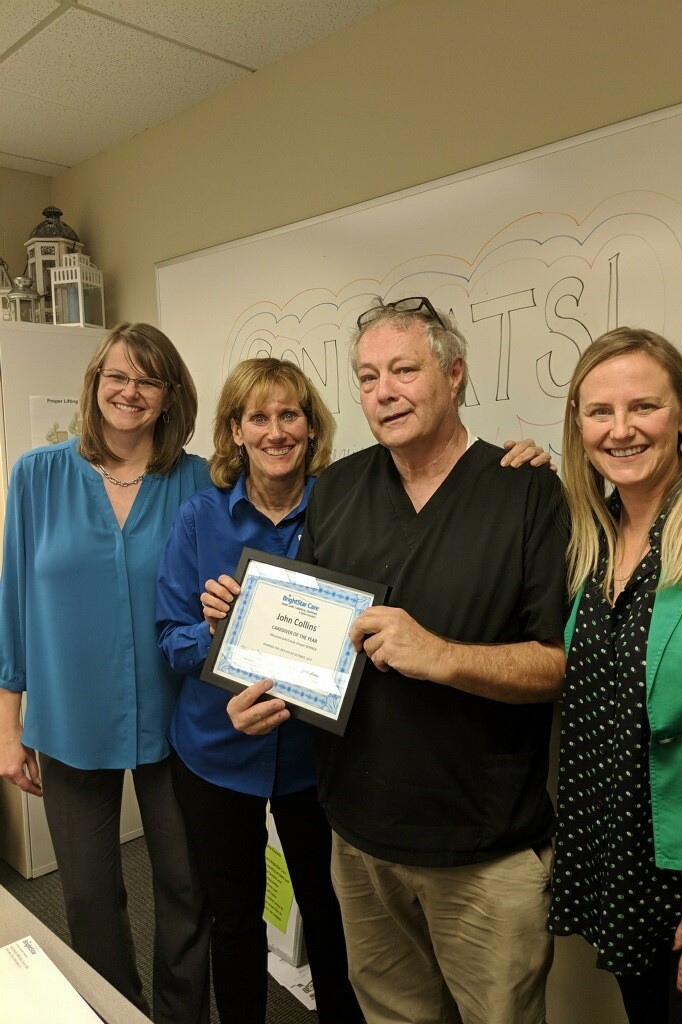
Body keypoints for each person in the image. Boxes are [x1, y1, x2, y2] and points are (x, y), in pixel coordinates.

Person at [226, 298, 568, 1024]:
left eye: (404, 370)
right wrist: (258, 685)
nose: (384, 390)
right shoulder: (341, 489)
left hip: (482, 849)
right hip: (359, 838)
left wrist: (441, 656)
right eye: (368, 375)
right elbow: (310, 641)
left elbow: (556, 664)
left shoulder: (526, 489)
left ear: (454, 374)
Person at [548, 327, 682, 1024]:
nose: (620, 430)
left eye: (643, 406)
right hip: (625, 868)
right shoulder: (594, 536)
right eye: (598, 412)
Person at [0, 323, 211, 1023]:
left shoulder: (199, 481)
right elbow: (14, 604)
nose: (131, 392)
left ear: (169, 394)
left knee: (185, 887)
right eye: (117, 376)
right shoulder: (37, 475)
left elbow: (287, 497)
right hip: (70, 719)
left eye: (149, 380)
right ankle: (119, 1010)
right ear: (94, 384)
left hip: (178, 718)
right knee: (88, 894)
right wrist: (9, 727)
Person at [155, 358, 364, 1024]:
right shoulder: (199, 517)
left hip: (316, 760)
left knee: (332, 918)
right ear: (234, 431)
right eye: (258, 417)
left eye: (289, 415)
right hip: (216, 754)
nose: (275, 431)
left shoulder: (348, 506)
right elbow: (171, 638)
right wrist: (215, 630)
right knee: (236, 917)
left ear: (310, 426)